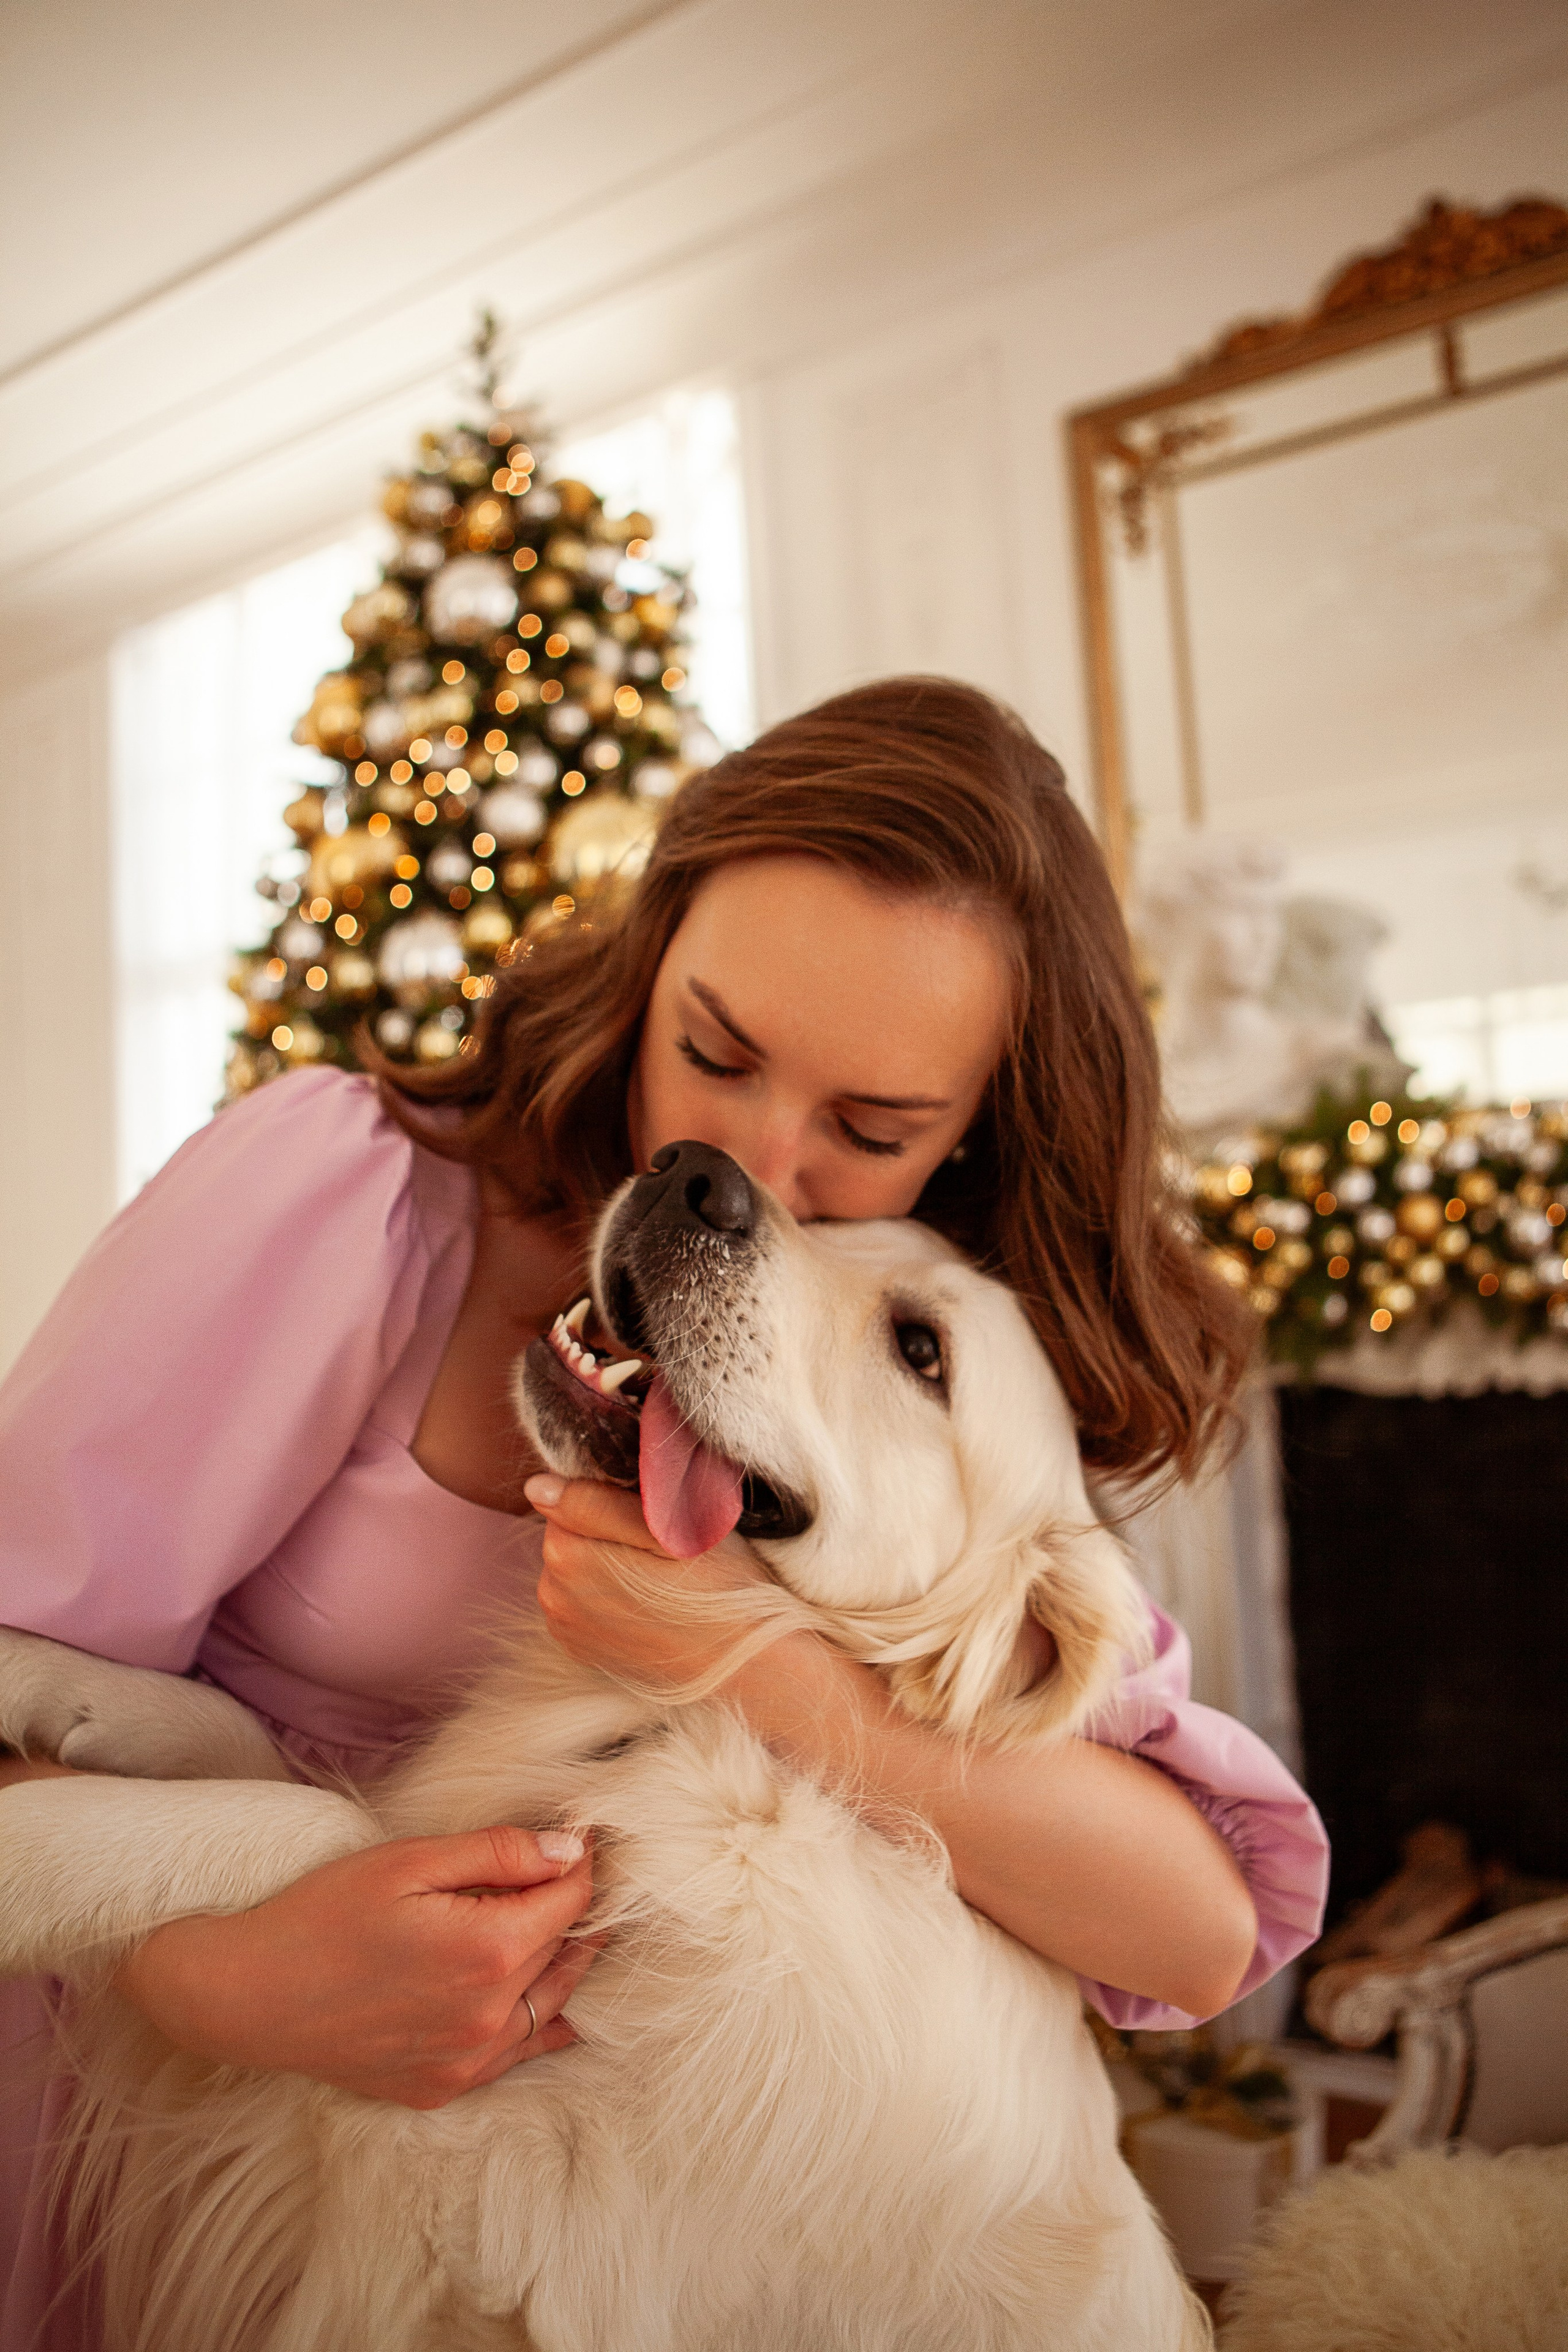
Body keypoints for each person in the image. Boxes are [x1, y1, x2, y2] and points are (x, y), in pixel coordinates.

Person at [0, 677, 1327, 2348]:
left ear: (973, 1134)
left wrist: (754, 1671)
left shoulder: (959, 1424)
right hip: (106, 2049)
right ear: (651, 948)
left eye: (871, 1130)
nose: (751, 1174)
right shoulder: (346, 1195)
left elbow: (1198, 1930)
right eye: (714, 1049)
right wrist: (205, 1971)